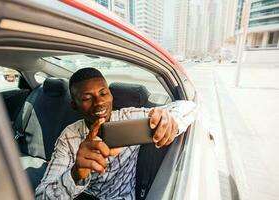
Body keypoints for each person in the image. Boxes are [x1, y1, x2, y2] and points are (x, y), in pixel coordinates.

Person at [35, 68, 197, 200]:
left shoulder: (127, 118)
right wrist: (76, 172)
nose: (99, 102)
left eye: (103, 93)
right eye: (87, 98)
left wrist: (169, 119)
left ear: (111, 95)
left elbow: (188, 106)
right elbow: (42, 196)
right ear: (74, 105)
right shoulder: (69, 137)